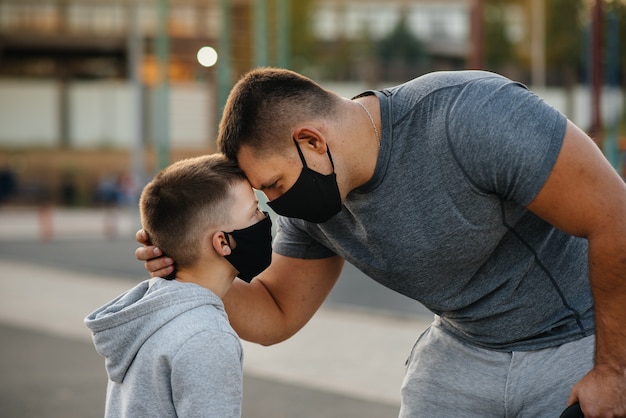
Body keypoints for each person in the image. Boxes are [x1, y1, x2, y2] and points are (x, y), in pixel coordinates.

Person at [135, 68, 626, 417]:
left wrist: (613, 370)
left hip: (578, 336)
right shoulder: (314, 206)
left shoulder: (470, 115)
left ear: (311, 140)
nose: (275, 204)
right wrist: (194, 269)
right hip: (466, 346)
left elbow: (614, 217)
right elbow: (275, 311)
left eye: (275, 186)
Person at [87, 153, 273, 418]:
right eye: (254, 211)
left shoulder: (150, 315)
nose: (263, 218)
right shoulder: (207, 337)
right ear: (223, 242)